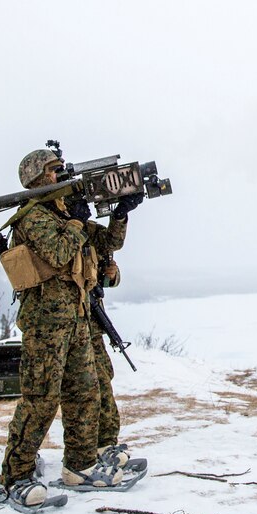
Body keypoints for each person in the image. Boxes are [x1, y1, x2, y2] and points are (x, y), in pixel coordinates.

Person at [0, 148, 123, 511]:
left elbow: (107, 243)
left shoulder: (65, 212)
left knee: (84, 392)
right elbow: (61, 253)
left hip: (78, 318)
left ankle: (80, 466)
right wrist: (78, 223)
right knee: (40, 400)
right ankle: (13, 476)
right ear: (37, 178)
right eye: (55, 171)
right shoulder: (33, 217)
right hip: (45, 325)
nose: (61, 175)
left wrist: (121, 214)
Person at [82, 192, 144, 471]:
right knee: (67, 391)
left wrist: (119, 215)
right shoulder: (49, 226)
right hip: (62, 326)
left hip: (91, 321)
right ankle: (80, 455)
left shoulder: (84, 229)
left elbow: (111, 243)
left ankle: (106, 444)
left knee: (102, 380)